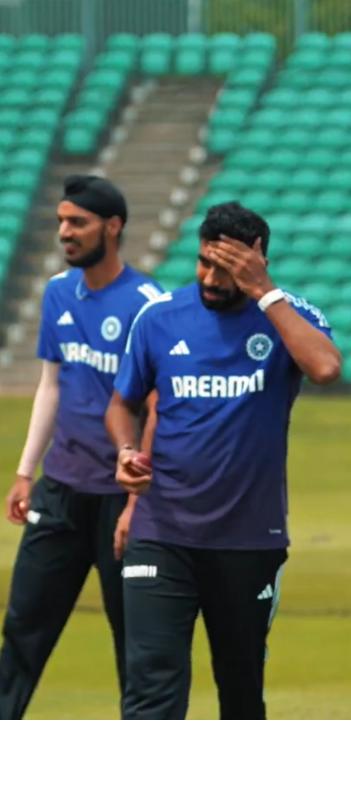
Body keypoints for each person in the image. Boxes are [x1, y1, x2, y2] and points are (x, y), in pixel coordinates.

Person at [105, 202, 341, 719]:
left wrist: (265, 293)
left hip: (247, 539)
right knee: (150, 687)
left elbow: (325, 367)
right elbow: (123, 404)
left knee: (239, 693)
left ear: (256, 262)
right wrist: (125, 452)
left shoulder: (288, 316)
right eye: (204, 263)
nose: (211, 278)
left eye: (226, 267)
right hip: (161, 532)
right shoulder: (159, 317)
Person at [0, 176, 162, 719]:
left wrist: (139, 500)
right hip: (60, 489)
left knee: (134, 642)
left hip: (120, 501)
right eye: (61, 221)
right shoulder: (57, 291)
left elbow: (158, 406)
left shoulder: (148, 305)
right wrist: (26, 471)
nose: (65, 232)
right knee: (23, 628)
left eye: (78, 223)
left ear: (112, 227)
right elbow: (52, 384)